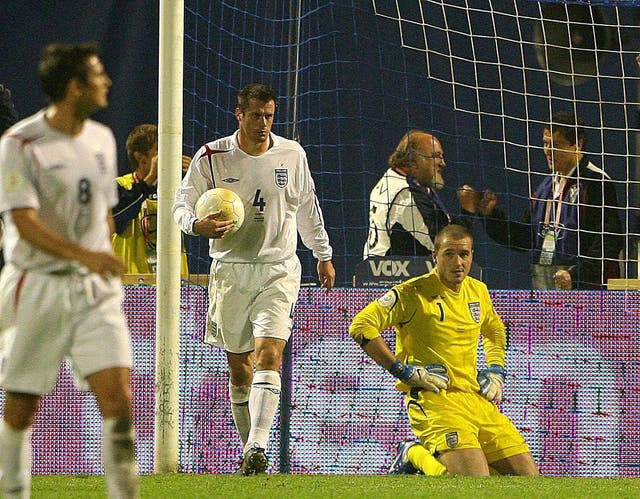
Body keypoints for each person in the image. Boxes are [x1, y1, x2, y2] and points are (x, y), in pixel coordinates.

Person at [173, 83, 335, 475]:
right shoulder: (212, 156)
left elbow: (306, 206)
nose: (263, 123)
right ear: (239, 115)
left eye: (269, 116)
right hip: (230, 270)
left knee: (269, 354)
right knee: (240, 367)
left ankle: (258, 445)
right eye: (256, 115)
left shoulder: (291, 154)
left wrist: (323, 253)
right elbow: (181, 204)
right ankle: (251, 453)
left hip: (278, 268)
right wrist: (196, 225)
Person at [0, 43, 138, 497]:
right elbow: (24, 222)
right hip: (37, 286)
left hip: (94, 291)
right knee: (21, 409)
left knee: (119, 401)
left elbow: (100, 209)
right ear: (74, 86)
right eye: (98, 75)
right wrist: (87, 255)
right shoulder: (20, 144)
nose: (108, 82)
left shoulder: (100, 138)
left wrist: (100, 255)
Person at [349, 224, 539, 476]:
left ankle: (426, 456)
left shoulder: (478, 291)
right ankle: (413, 454)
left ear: (472, 256)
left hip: (475, 400)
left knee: (529, 481)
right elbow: (361, 326)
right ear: (434, 255)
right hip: (435, 400)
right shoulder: (412, 292)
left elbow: (494, 330)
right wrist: (403, 371)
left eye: (464, 254)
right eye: (449, 254)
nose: (457, 262)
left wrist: (495, 370)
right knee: (474, 480)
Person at [470, 111, 623, 290]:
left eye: (556, 145)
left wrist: (576, 275)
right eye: (545, 143)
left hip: (588, 292)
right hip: (547, 289)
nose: (548, 151)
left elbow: (609, 241)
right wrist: (491, 216)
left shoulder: (596, 183)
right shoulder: (546, 187)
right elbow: (526, 238)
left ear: (578, 144)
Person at [363, 130, 474, 259]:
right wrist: (468, 210)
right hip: (395, 276)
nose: (443, 163)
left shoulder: (393, 178)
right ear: (413, 162)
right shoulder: (407, 195)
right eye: (436, 156)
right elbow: (449, 245)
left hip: (378, 269)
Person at [111, 123, 189, 274]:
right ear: (141, 158)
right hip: (132, 286)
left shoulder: (179, 188)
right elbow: (118, 219)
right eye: (160, 150)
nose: (169, 154)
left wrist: (195, 175)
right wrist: (151, 178)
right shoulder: (121, 185)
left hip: (175, 283)